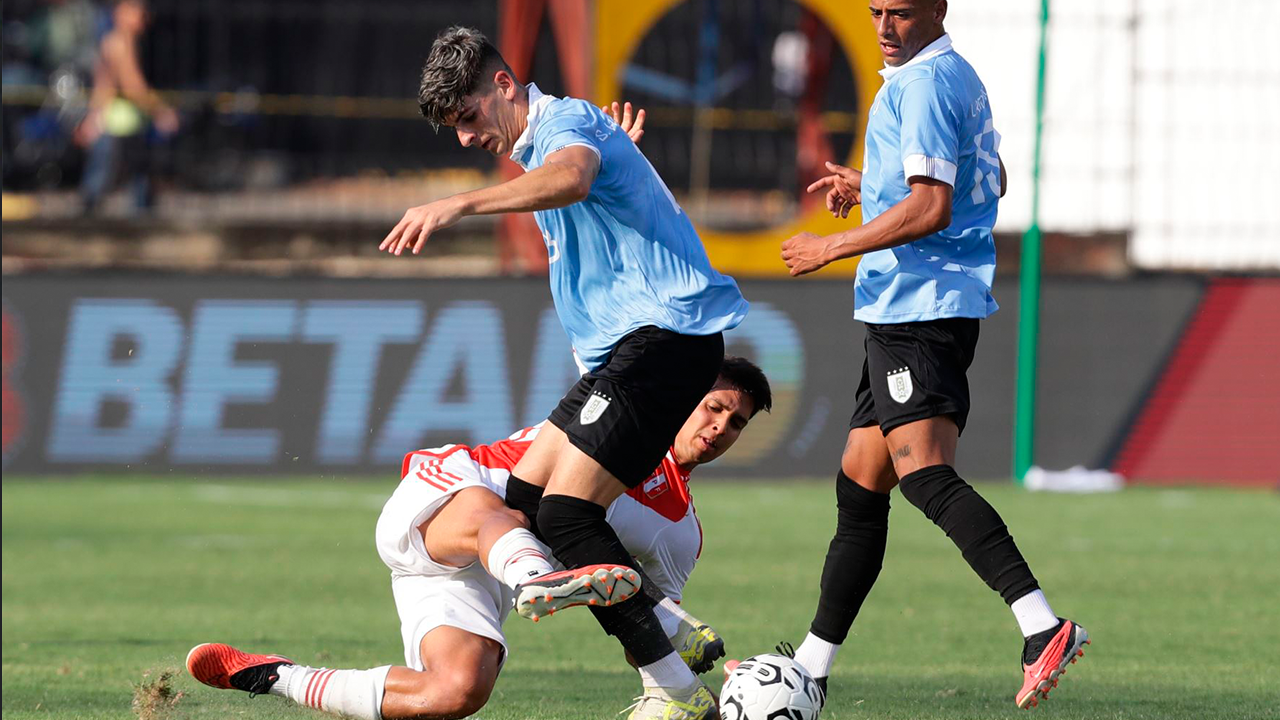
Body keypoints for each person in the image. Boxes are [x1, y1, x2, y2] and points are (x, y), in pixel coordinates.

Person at [376, 26, 750, 720]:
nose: (466, 137)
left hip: (661, 339)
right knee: (526, 505)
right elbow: (588, 180)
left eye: (468, 117)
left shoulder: (564, 124)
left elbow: (573, 175)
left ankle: (677, 691)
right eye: (455, 128)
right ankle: (666, 623)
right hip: (634, 352)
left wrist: (457, 203)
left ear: (504, 85)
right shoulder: (554, 140)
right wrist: (619, 156)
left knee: (568, 515)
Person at [778, 0, 1088, 710]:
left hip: (920, 307)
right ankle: (811, 670)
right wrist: (873, 185)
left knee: (923, 474)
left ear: (939, 8)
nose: (885, 27)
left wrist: (832, 245)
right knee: (862, 481)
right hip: (917, 304)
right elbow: (990, 177)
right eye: (875, 11)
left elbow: (933, 206)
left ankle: (1042, 626)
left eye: (902, 12)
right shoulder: (954, 75)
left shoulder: (919, 85)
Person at [186, 358, 773, 720]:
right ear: (685, 395)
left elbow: (635, 630)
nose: (720, 427)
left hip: (482, 573)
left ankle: (273, 676)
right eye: (714, 407)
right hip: (456, 496)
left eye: (737, 423)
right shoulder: (623, 414)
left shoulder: (680, 533)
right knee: (511, 516)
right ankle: (537, 579)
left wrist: (720, 667)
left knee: (455, 692)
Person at [75, 0, 178, 215]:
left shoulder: (123, 41)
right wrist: (160, 111)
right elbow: (132, 86)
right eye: (136, 10)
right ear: (119, 12)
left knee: (125, 171)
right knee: (118, 173)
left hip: (115, 119)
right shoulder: (119, 43)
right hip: (115, 120)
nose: (143, 16)